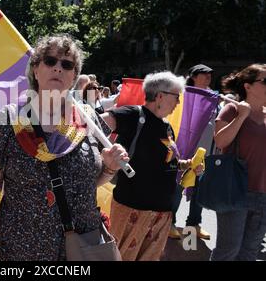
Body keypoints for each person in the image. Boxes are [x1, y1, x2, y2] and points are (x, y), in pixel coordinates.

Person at [0, 34, 129, 261]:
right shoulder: (8, 119)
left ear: (74, 76)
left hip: (82, 249)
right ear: (36, 70)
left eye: (67, 64)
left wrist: (109, 168)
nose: (58, 68)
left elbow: (87, 184)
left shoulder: (88, 119)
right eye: (50, 61)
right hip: (21, 251)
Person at [101, 71, 203, 261]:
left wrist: (186, 165)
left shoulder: (166, 126)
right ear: (160, 96)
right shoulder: (133, 115)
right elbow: (93, 125)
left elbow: (165, 162)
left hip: (162, 213)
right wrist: (104, 155)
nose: (178, 103)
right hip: (132, 210)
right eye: (176, 97)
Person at [210, 64, 266, 261]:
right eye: (264, 81)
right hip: (235, 190)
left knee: (249, 253)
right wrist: (242, 116)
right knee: (228, 251)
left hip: (263, 195)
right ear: (247, 86)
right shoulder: (232, 109)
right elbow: (221, 141)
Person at [170, 64, 214, 240]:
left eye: (210, 74)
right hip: (185, 152)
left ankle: (194, 225)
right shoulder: (183, 95)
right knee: (178, 187)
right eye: (204, 73)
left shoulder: (213, 98)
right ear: (193, 76)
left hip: (204, 154)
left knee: (199, 190)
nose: (209, 76)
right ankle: (169, 223)